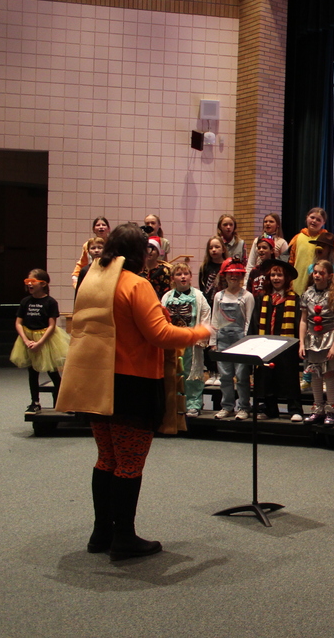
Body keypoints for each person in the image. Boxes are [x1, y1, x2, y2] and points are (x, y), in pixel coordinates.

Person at [56, 222, 210, 561]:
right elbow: (160, 335)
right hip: (132, 384)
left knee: (106, 458)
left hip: (98, 381)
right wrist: (199, 332)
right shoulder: (136, 285)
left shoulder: (92, 280)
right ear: (139, 254)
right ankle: (124, 537)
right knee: (129, 463)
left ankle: (102, 532)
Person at [11, 269, 70, 414]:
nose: (30, 284)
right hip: (28, 338)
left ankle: (61, 401)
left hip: (45, 339)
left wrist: (40, 343)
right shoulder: (25, 302)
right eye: (28, 282)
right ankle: (35, 402)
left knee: (53, 372)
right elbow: (18, 323)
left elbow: (52, 325)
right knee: (32, 372)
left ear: (43, 284)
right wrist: (26, 340)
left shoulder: (50, 302)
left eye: (33, 282)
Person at [252, 259, 303, 422]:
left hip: (287, 347)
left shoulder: (294, 299)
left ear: (286, 278)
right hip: (265, 346)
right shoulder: (262, 298)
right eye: (273, 274)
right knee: (266, 378)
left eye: (279, 275)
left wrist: (300, 344)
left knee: (289, 377)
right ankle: (269, 409)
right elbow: (254, 322)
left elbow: (298, 323)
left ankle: (295, 409)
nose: (276, 278)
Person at [299, 259, 334, 426]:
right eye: (316, 272)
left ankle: (331, 410)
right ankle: (317, 408)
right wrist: (301, 343)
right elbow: (304, 320)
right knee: (314, 373)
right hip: (312, 339)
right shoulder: (307, 294)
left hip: (328, 338)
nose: (317, 275)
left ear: (329, 276)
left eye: (321, 273)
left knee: (328, 374)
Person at [161, 263, 211, 418]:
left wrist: (200, 338)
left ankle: (193, 404)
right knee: (173, 375)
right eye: (178, 274)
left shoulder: (198, 296)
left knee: (192, 375)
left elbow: (205, 315)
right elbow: (161, 316)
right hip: (173, 342)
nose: (182, 277)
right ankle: (174, 404)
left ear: (190, 276)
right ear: (173, 278)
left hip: (191, 343)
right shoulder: (167, 296)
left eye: (185, 274)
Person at [210, 258, 255, 421]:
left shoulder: (247, 296)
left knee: (242, 377)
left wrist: (247, 342)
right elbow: (215, 319)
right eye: (230, 274)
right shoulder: (218, 297)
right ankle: (227, 406)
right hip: (222, 341)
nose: (233, 277)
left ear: (242, 276)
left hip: (241, 342)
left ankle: (244, 407)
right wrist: (213, 342)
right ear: (225, 276)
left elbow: (249, 320)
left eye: (237, 274)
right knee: (225, 377)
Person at [289, 207, 333, 295]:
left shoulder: (327, 239)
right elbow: (291, 261)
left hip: (318, 284)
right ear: (307, 217)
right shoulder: (297, 238)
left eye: (318, 219)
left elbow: (333, 261)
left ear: (323, 223)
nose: (314, 221)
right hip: (298, 282)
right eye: (312, 217)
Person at [72, 217, 110, 287]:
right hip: (91, 277)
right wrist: (75, 277)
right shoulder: (87, 245)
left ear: (108, 229)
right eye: (98, 225)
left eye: (103, 225)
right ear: (93, 229)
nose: (101, 227)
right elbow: (82, 263)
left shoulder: (113, 244)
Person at [199, 236, 226, 306]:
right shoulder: (204, 267)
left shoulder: (227, 266)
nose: (213, 250)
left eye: (217, 247)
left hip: (224, 301)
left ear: (223, 249)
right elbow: (202, 287)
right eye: (210, 248)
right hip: (208, 303)